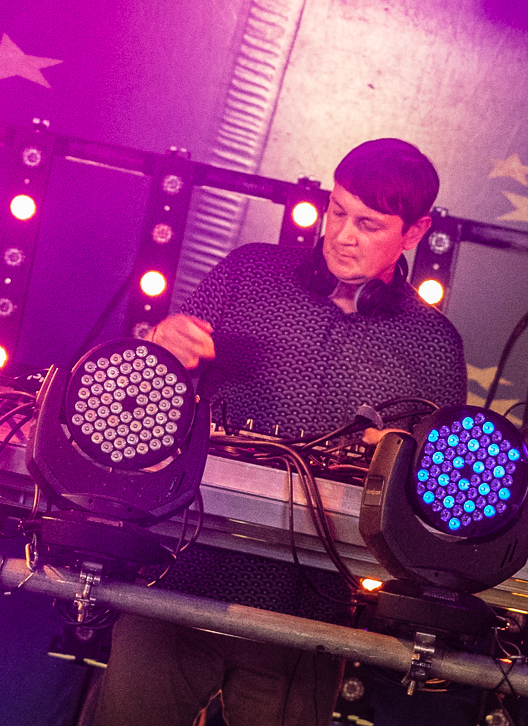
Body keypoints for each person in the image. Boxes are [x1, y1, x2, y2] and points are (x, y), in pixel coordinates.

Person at [92, 138, 468, 726]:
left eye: (368, 224)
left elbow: (440, 503)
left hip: (311, 618)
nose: (342, 235)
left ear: (415, 232)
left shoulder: (435, 346)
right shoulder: (250, 272)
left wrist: (403, 464)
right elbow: (146, 400)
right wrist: (161, 348)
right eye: (337, 211)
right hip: (181, 577)